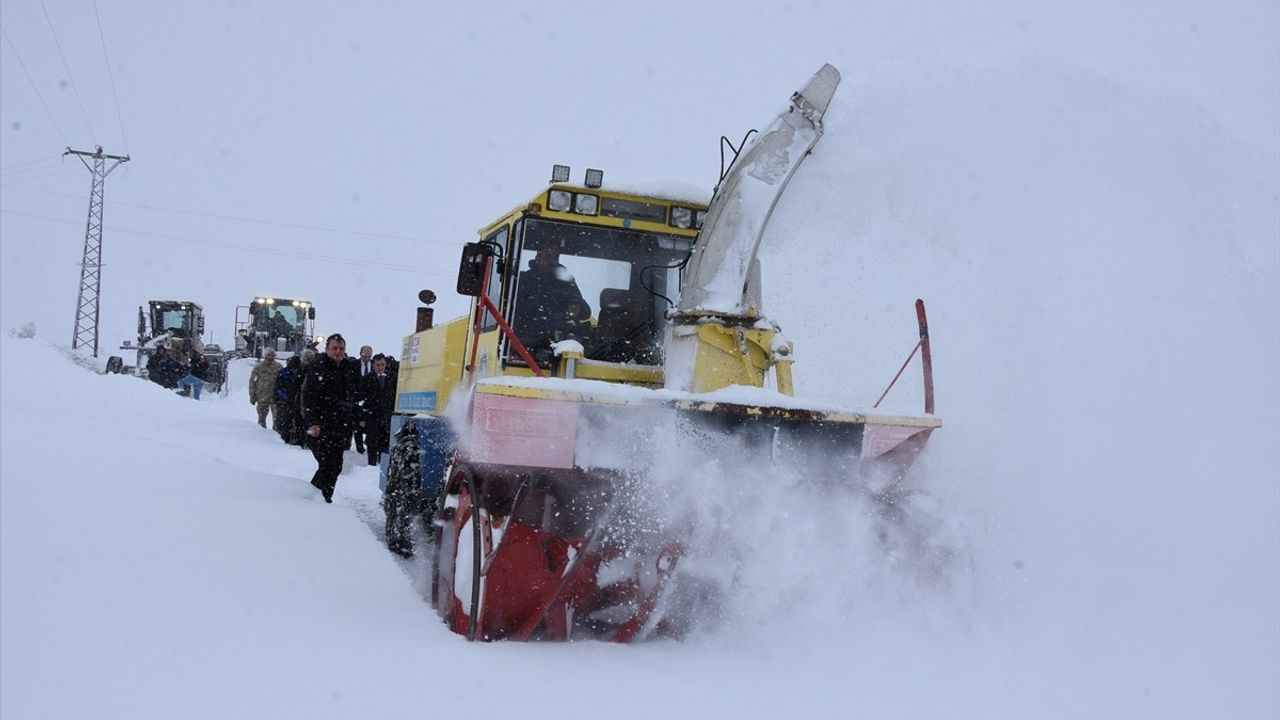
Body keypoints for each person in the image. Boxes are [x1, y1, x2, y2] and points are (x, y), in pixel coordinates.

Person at [301, 333, 356, 503]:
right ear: (327, 349)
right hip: (321, 426)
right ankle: (312, 497)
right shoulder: (319, 367)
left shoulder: (347, 368)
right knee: (326, 465)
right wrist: (312, 423)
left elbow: (352, 394)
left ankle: (325, 497)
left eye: (341, 348)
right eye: (334, 348)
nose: (338, 352)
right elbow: (308, 397)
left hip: (340, 426)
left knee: (336, 466)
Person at [512, 248, 591, 356]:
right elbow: (509, 308)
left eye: (556, 257)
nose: (553, 260)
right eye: (548, 256)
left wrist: (577, 307)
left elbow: (586, 311)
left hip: (561, 338)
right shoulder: (523, 280)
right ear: (537, 258)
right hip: (527, 340)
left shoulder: (567, 281)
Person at [358, 354, 396, 467]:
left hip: (387, 415)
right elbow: (360, 398)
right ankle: (372, 464)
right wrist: (361, 417)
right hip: (372, 415)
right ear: (373, 365)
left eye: (382, 365)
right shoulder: (366, 379)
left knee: (386, 441)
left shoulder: (393, 377)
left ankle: (384, 464)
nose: (380, 367)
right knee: (372, 442)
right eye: (378, 365)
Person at [274, 355, 303, 443]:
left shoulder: (300, 372)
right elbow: (278, 388)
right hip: (285, 400)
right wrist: (285, 397)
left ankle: (297, 439)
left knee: (298, 421)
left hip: (297, 400)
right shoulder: (283, 372)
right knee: (285, 420)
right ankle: (285, 438)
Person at [248, 350, 281, 427]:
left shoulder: (278, 367)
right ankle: (262, 434)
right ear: (265, 356)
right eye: (269, 355)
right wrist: (252, 396)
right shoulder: (259, 367)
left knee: (277, 417)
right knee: (261, 418)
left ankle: (276, 435)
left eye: (273, 355)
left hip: (275, 396)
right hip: (262, 396)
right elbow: (252, 382)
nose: (271, 357)